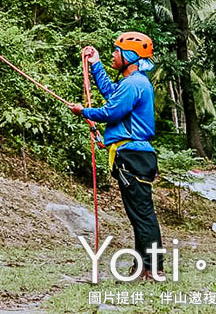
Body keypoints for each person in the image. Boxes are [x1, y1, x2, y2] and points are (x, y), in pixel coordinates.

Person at [70, 32, 164, 280]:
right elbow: (113, 94)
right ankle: (145, 266)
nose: (114, 55)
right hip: (132, 156)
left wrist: (84, 111)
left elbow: (111, 111)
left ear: (130, 56)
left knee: (142, 215)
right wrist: (96, 64)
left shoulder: (135, 84)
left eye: (116, 51)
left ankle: (152, 268)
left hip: (133, 157)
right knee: (139, 215)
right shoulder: (131, 83)